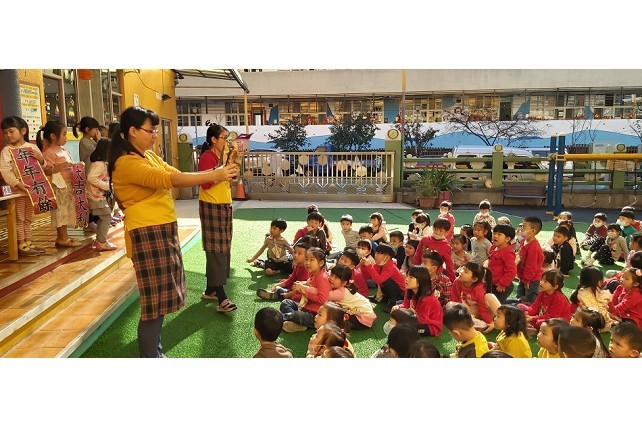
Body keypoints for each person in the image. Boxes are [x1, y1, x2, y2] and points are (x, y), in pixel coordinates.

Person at [108, 106, 238, 357]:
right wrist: (215, 174)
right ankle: (151, 356)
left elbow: (176, 174)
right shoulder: (126, 162)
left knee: (160, 303)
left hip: (160, 231)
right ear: (133, 131)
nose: (155, 135)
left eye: (155, 130)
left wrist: (217, 174)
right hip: (146, 234)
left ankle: (154, 353)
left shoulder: (147, 156)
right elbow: (169, 180)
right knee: (154, 306)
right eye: (150, 130)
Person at [197, 124, 239, 310]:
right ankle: (221, 296)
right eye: (224, 138)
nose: (227, 142)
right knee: (216, 249)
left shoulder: (223, 157)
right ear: (214, 139)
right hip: (212, 205)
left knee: (222, 246)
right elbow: (205, 183)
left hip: (223, 205)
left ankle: (211, 289)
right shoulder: (207, 157)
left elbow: (229, 179)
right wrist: (221, 174)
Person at [0, 116, 47, 256]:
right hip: (18, 191)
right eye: (5, 132)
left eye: (11, 131)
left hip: (31, 191)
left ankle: (28, 242)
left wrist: (41, 159)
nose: (8, 135)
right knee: (19, 218)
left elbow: (43, 168)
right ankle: (21, 244)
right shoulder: (6, 151)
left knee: (28, 218)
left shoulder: (32, 147)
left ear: (23, 131)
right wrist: (17, 184)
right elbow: (5, 170)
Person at [40, 121, 85, 248]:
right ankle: (63, 238)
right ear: (53, 136)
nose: (66, 137)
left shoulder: (63, 149)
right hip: (59, 186)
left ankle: (62, 237)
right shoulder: (49, 152)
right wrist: (62, 166)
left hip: (68, 185)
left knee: (65, 210)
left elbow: (68, 165)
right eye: (64, 134)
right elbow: (47, 171)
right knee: (60, 211)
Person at [280, 247, 330, 333]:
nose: (307, 263)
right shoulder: (313, 273)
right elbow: (309, 284)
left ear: (321, 263)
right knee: (286, 303)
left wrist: (304, 291)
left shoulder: (322, 278)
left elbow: (322, 299)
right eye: (306, 259)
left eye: (311, 260)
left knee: (297, 315)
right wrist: (302, 284)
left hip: (314, 314)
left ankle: (283, 318)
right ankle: (298, 323)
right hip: (305, 307)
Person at [448, 262, 501, 333]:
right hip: (471, 312)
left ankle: (504, 320)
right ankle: (476, 323)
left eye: (466, 271)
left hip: (487, 312)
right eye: (462, 269)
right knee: (450, 304)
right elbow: (455, 299)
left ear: (474, 279)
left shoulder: (478, 289)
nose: (461, 272)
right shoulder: (457, 281)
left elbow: (482, 308)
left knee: (489, 296)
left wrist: (490, 322)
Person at [393, 265, 443, 336]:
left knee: (406, 328)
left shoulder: (427, 299)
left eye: (411, 277)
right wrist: (398, 307)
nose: (406, 279)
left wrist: (411, 313)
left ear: (421, 280)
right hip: (414, 317)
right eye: (407, 275)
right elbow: (405, 305)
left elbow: (421, 320)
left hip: (430, 326)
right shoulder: (409, 291)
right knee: (397, 312)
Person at [86, 138, 117, 250]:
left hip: (99, 196)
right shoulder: (99, 164)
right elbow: (91, 178)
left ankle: (100, 240)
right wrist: (106, 186)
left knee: (104, 218)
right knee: (107, 217)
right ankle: (102, 241)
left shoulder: (102, 163)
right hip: (96, 196)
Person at [326, 264, 376, 330]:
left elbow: (324, 295)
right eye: (331, 275)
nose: (331, 278)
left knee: (336, 317)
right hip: (365, 313)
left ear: (343, 283)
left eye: (336, 278)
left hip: (362, 319)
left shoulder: (340, 292)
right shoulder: (343, 288)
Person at [74, 116, 101, 231]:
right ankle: (90, 222)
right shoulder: (84, 142)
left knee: (96, 197)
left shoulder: (90, 141)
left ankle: (96, 219)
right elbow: (98, 153)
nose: (97, 132)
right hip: (88, 173)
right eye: (95, 129)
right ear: (87, 129)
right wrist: (99, 140)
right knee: (89, 198)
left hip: (94, 173)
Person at [361, 243, 405, 312]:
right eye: (376, 252)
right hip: (389, 290)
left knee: (386, 281)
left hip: (400, 292)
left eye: (379, 253)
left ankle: (394, 301)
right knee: (379, 278)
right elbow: (366, 277)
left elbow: (378, 280)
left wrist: (369, 266)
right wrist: (363, 266)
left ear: (387, 257)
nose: (375, 255)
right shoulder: (378, 266)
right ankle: (384, 298)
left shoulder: (391, 267)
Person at [569, 266, 612, 332]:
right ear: (599, 281)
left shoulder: (579, 294)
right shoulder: (605, 293)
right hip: (606, 325)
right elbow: (612, 309)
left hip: (586, 326)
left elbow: (571, 310)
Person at [413, 218, 455, 282]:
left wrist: (452, 279)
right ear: (432, 227)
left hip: (435, 276)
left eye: (440, 231)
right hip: (422, 272)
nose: (437, 232)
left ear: (446, 233)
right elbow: (417, 254)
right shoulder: (424, 239)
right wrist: (415, 268)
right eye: (435, 229)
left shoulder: (446, 246)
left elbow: (449, 264)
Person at [516, 216, 544, 304]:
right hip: (523, 276)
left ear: (533, 231)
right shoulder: (524, 241)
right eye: (522, 226)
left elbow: (531, 266)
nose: (522, 229)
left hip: (531, 279)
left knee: (529, 299)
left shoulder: (533, 248)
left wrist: (526, 280)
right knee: (520, 296)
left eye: (524, 227)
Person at [487, 223, 517, 303]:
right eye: (494, 233)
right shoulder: (493, 247)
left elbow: (511, 271)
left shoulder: (507, 253)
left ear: (507, 239)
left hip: (501, 285)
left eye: (499, 234)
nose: (495, 236)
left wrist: (502, 284)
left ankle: (516, 304)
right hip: (492, 282)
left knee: (496, 304)